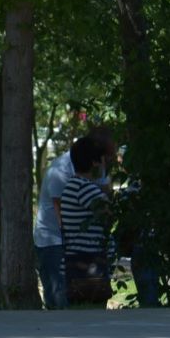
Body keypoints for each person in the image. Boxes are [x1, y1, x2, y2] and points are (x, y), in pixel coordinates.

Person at [33, 128, 115, 310]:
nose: (108, 161)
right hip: (54, 241)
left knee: (75, 299)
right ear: (95, 160)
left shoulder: (79, 179)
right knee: (61, 297)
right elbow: (62, 214)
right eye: (106, 156)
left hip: (73, 247)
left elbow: (104, 192)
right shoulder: (61, 173)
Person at [61, 136, 113, 307]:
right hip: (88, 265)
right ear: (94, 162)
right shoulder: (84, 188)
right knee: (92, 315)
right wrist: (105, 178)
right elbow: (109, 213)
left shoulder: (74, 185)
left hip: (76, 262)